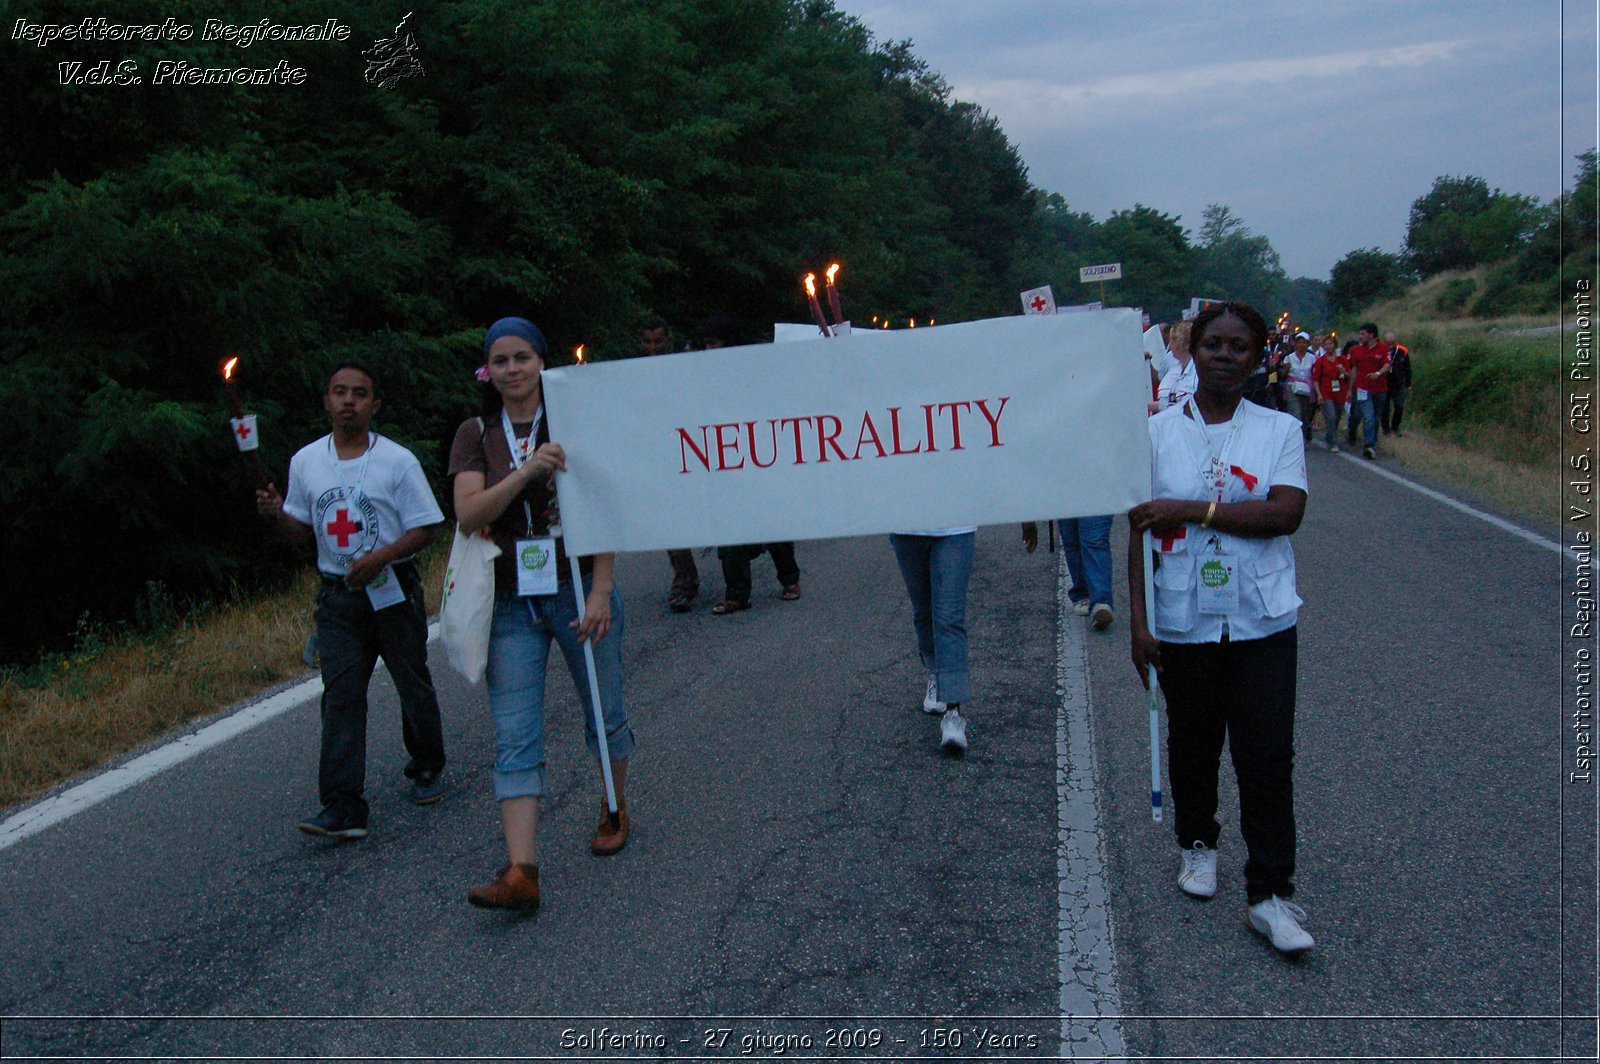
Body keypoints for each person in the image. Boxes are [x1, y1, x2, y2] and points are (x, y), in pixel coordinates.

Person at [1126, 300, 1315, 955]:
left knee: (1266, 756)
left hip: (1262, 619)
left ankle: (1270, 894)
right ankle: (1197, 843)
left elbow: (1283, 515)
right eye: (1214, 345)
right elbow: (1139, 532)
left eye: (1240, 346)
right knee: (1193, 741)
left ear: (1259, 355)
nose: (1225, 355)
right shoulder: (1153, 434)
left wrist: (1194, 509)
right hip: (1183, 618)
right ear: (1194, 350)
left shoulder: (1279, 431)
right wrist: (1139, 623)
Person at [449, 317, 637, 912]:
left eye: (522, 357)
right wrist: (528, 471)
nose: (512, 370)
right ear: (488, 370)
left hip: (577, 585)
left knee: (603, 710)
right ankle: (521, 870)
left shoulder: (574, 421)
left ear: (541, 362)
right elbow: (470, 513)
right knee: (514, 734)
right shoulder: (476, 433)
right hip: (510, 598)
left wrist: (603, 589)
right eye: (500, 360)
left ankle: (614, 802)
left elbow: (603, 505)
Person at [256, 361, 448, 840]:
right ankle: (343, 803)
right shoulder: (306, 462)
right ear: (326, 401)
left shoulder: (397, 461)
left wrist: (382, 556)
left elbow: (427, 526)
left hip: (392, 589)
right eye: (339, 392)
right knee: (341, 695)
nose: (348, 401)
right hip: (339, 596)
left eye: (359, 394)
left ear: (374, 405)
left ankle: (426, 762)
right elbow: (300, 531)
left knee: (411, 679)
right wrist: (276, 515)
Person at [697, 315, 803, 614]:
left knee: (772, 523)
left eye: (714, 343)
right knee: (730, 528)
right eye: (705, 344)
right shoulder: (702, 374)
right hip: (724, 458)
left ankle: (790, 579)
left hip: (757, 454)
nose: (709, 350)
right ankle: (737, 594)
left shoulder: (751, 369)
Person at [890, 526, 976, 754]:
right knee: (924, 613)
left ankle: (953, 714)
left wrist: (1025, 518)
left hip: (956, 528)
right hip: (907, 528)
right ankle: (936, 672)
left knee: (949, 619)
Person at [640, 315, 701, 611]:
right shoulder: (633, 371)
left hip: (694, 446)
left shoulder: (685, 364)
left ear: (669, 338)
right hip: (660, 452)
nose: (653, 347)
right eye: (647, 342)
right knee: (670, 517)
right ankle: (685, 580)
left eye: (659, 341)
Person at [1347, 322, 1392, 459]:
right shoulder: (1356, 350)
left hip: (1380, 389)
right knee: (1368, 417)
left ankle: (1373, 442)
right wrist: (1350, 389)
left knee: (1376, 417)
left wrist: (1378, 373)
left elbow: (1387, 365)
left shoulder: (1383, 348)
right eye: (1360, 334)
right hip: (1363, 389)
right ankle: (1369, 445)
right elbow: (1354, 369)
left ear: (1372, 335)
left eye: (1363, 334)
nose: (1360, 336)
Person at [1312, 337, 1349, 452]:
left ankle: (1330, 435)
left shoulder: (1342, 359)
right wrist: (1319, 394)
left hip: (1340, 391)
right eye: (1326, 344)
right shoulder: (1320, 361)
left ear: (1335, 345)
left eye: (1330, 344)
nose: (1328, 346)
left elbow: (1348, 375)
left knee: (1337, 416)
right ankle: (1333, 442)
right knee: (1331, 415)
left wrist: (1343, 371)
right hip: (1326, 391)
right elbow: (1316, 379)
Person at [1152, 320, 1196, 414]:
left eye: (1171, 339)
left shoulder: (1199, 372)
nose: (1169, 344)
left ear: (1179, 343)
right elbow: (1166, 405)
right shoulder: (1173, 370)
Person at [1284, 331, 1319, 443]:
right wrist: (1286, 369)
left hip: (1307, 387)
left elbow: (1315, 373)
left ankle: (1305, 431)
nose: (1302, 345)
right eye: (1299, 342)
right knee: (1296, 413)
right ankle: (1298, 439)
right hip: (1292, 386)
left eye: (1304, 342)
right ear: (1295, 344)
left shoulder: (1312, 358)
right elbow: (1283, 374)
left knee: (1306, 414)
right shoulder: (1289, 358)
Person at [1383, 332, 1412, 436]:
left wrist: (1408, 384)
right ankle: (1385, 429)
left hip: (1399, 384)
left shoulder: (1403, 351)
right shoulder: (1381, 350)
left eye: (1392, 343)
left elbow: (1408, 368)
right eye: (1388, 343)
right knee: (1385, 408)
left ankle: (1395, 427)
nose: (1390, 346)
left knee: (1399, 407)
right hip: (1384, 384)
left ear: (1396, 341)